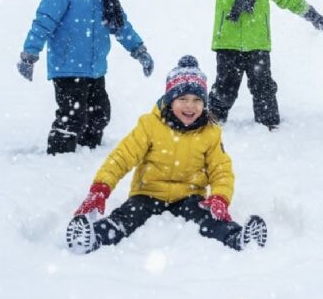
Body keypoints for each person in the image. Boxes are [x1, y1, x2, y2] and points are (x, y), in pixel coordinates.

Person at [65, 55, 268, 254]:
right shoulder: (150, 125)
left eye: (197, 100)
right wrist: (101, 188)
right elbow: (122, 157)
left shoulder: (210, 133)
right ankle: (93, 237)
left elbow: (221, 169)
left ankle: (237, 238)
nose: (190, 106)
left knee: (209, 219)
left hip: (189, 195)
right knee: (126, 217)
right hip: (148, 194)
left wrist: (219, 198)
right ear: (170, 100)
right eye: (183, 99)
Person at [17, 0, 154, 155]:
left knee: (100, 113)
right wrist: (30, 54)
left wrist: (138, 49)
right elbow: (43, 23)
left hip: (95, 67)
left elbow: (120, 24)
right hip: (68, 67)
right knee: (73, 116)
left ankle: (89, 151)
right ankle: (61, 156)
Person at [172, 0, 323, 131]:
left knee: (263, 86)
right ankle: (211, 121)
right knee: (225, 87)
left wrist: (311, 14)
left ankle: (268, 122)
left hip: (258, 45)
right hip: (227, 43)